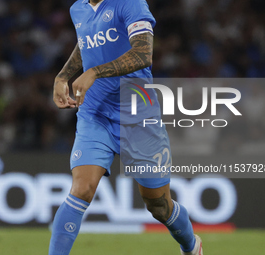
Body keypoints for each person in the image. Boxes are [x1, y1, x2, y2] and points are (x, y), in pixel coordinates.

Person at [49, 0, 203, 254]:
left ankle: (190, 245)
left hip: (138, 117)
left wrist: (95, 72)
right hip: (95, 114)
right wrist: (63, 75)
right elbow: (86, 40)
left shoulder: (130, 3)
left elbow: (143, 53)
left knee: (158, 205)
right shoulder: (79, 9)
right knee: (82, 189)